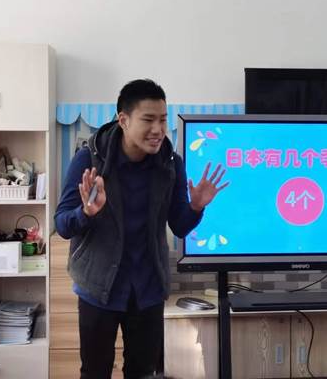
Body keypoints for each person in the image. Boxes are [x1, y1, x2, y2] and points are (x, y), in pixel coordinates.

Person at [55, 79, 228, 379]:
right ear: (123, 120)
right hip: (98, 287)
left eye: (162, 119)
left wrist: (196, 207)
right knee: (94, 372)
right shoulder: (89, 159)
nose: (158, 129)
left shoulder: (171, 164)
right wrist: (86, 213)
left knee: (144, 372)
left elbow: (179, 225)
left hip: (147, 289)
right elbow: (62, 225)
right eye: (148, 120)